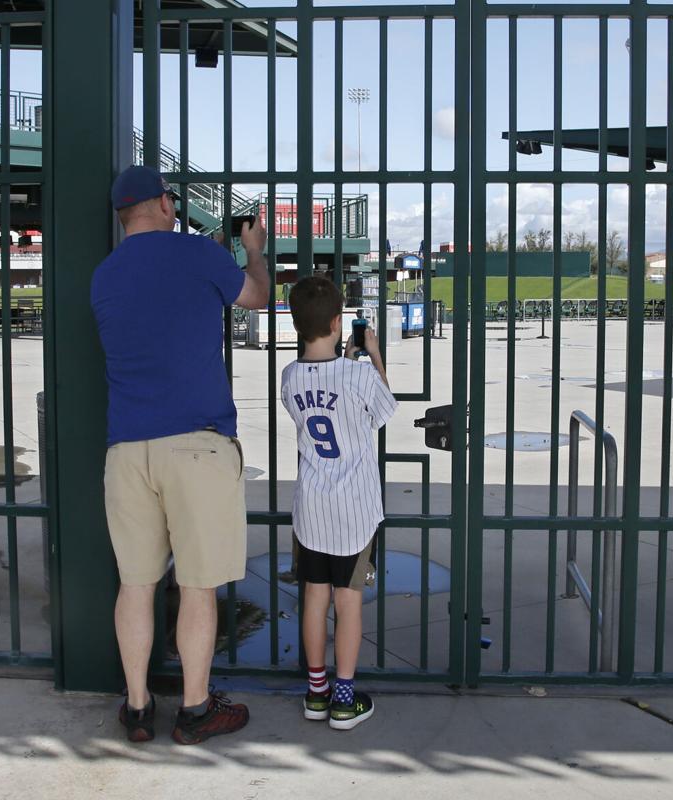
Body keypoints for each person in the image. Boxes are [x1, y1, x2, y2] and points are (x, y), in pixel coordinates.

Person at [90, 165, 270, 745]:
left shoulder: (105, 275)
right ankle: (195, 710)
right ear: (167, 204)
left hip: (127, 450)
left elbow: (156, 299)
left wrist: (208, 254)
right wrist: (253, 253)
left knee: (136, 584)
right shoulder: (199, 256)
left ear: (124, 215)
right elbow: (257, 298)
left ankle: (138, 706)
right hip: (197, 443)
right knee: (197, 587)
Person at [281, 276, 396, 730]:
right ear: (336, 321)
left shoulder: (289, 376)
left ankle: (316, 693)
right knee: (348, 602)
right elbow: (382, 409)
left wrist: (342, 361)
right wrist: (372, 352)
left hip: (312, 508)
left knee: (314, 598)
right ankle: (344, 700)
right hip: (354, 510)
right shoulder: (360, 373)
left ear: (296, 325)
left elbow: (316, 404)